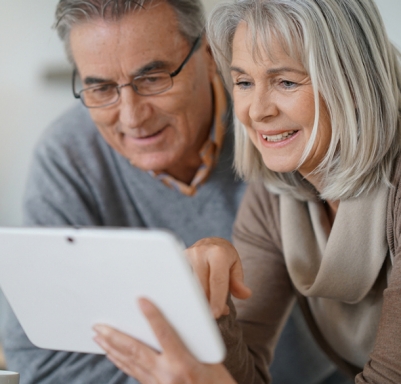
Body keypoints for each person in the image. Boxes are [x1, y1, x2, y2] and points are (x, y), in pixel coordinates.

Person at [0, 1, 342, 384]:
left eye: (153, 78)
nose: (132, 117)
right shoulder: (67, 157)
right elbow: (39, 360)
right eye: (100, 87)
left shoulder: (275, 126)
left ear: (210, 55)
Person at [92, 0, 401, 383]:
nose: (255, 111)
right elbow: (244, 372)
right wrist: (213, 305)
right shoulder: (275, 195)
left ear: (355, 81)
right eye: (243, 82)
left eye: (286, 81)